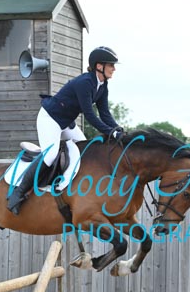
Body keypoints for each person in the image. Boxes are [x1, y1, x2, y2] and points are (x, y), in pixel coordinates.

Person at [7, 46, 124, 215]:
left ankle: (75, 193)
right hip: (50, 119)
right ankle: (17, 194)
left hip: (66, 122)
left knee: (86, 151)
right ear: (99, 66)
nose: (114, 69)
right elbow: (90, 115)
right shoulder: (85, 83)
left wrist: (117, 129)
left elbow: (104, 113)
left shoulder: (102, 85)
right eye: (111, 65)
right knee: (50, 154)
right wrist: (110, 132)